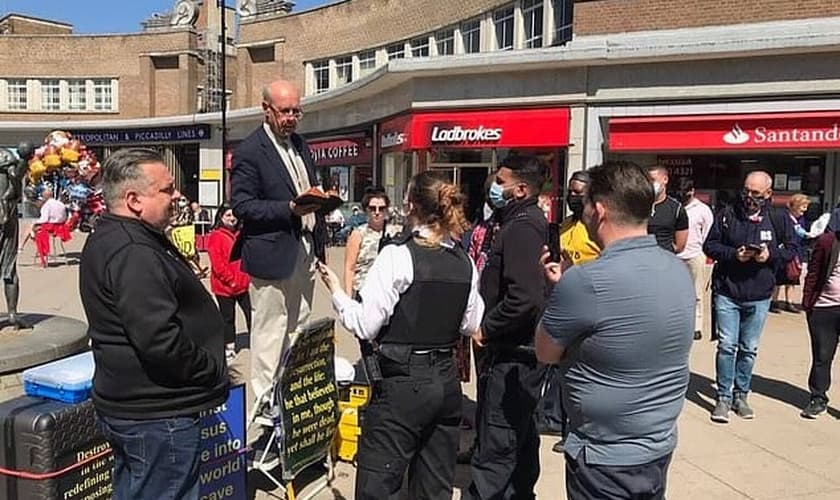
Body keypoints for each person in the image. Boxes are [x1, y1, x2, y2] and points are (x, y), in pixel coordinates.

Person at [317, 171, 484, 500]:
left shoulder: (397, 255)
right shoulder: (463, 260)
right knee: (434, 486)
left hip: (402, 382)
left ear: (410, 206)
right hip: (446, 380)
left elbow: (366, 326)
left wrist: (338, 294)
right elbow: (472, 322)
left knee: (380, 484)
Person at [536, 160, 694, 500]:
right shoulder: (677, 269)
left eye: (586, 203)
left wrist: (556, 292)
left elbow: (545, 351)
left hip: (604, 459)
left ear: (600, 210)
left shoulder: (586, 281)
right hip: (658, 445)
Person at [79, 148, 228, 499]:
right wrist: (209, 368)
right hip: (157, 416)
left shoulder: (120, 236)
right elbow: (159, 339)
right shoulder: (133, 251)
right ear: (133, 199)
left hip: (140, 409)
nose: (177, 196)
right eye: (167, 189)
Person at [230, 78, 327, 416]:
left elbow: (307, 189)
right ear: (266, 109)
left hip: (305, 249)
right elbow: (242, 206)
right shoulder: (249, 151)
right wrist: (288, 209)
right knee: (270, 330)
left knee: (298, 325)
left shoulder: (301, 144)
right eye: (284, 111)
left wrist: (321, 205)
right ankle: (265, 402)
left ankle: (289, 391)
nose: (291, 118)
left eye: (296, 111)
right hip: (271, 253)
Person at [464, 155, 548, 500]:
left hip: (514, 355)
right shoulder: (515, 221)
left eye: (501, 181)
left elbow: (523, 298)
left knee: (496, 450)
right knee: (519, 442)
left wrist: (487, 329)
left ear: (521, 189)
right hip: (518, 354)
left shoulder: (522, 227)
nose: (494, 187)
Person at [704, 171, 798, 423]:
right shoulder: (727, 213)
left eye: (755, 193)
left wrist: (771, 257)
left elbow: (792, 249)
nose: (749, 197)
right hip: (728, 291)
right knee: (727, 346)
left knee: (749, 348)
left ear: (768, 194)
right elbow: (710, 245)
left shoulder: (778, 217)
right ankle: (723, 397)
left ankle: (741, 394)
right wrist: (734, 254)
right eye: (746, 191)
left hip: (759, 294)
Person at [541, 169, 602, 455]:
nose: (573, 196)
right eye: (570, 191)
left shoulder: (597, 228)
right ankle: (562, 425)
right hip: (566, 303)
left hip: (595, 304)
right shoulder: (564, 226)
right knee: (564, 370)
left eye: (579, 192)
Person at [801, 225, 840, 418]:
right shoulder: (827, 241)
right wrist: (808, 304)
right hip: (825, 308)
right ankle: (818, 398)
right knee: (822, 356)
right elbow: (813, 274)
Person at [207, 203, 252, 358]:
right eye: (227, 215)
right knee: (228, 317)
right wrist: (230, 280)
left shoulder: (241, 234)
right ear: (220, 217)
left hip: (243, 284)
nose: (232, 218)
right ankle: (230, 346)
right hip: (224, 287)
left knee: (251, 313)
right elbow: (217, 263)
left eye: (233, 215)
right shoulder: (215, 236)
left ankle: (255, 339)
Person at [676, 178, 714, 340]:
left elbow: (708, 232)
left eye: (685, 192)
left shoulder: (703, 210)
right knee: (676, 294)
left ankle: (696, 327)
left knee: (697, 293)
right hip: (675, 255)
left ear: (692, 191)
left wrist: (703, 251)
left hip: (694, 255)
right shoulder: (675, 208)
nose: (682, 195)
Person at [343, 188, 399, 296]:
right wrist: (348, 299)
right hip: (363, 291)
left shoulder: (394, 233)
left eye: (381, 208)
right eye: (373, 208)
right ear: (366, 210)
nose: (377, 212)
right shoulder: (358, 234)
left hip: (388, 293)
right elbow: (349, 268)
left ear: (386, 210)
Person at [770, 193, 810, 313]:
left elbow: (802, 232)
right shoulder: (784, 217)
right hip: (784, 250)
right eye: (803, 207)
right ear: (795, 206)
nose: (804, 210)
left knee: (792, 277)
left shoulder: (801, 219)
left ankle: (789, 302)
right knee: (779, 277)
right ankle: (774, 301)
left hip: (796, 250)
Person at [647, 165, 689, 253]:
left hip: (665, 259)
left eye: (653, 180)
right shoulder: (638, 205)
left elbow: (680, 246)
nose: (650, 184)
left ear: (665, 180)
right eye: (648, 181)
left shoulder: (676, 209)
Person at [34, 185, 71, 268]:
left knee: (34, 229)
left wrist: (36, 223)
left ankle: (24, 246)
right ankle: (25, 242)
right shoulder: (61, 204)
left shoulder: (46, 205)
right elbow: (65, 217)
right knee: (33, 228)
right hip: (61, 227)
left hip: (50, 227)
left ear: (44, 196)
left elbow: (44, 219)